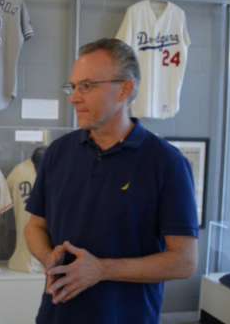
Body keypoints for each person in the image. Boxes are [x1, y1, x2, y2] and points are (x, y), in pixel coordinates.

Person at [24, 38, 199, 323]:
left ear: (125, 90)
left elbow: (184, 262)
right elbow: (35, 226)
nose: (74, 97)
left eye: (87, 86)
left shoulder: (167, 163)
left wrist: (102, 269)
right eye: (74, 86)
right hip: (55, 315)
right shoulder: (58, 152)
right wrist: (48, 257)